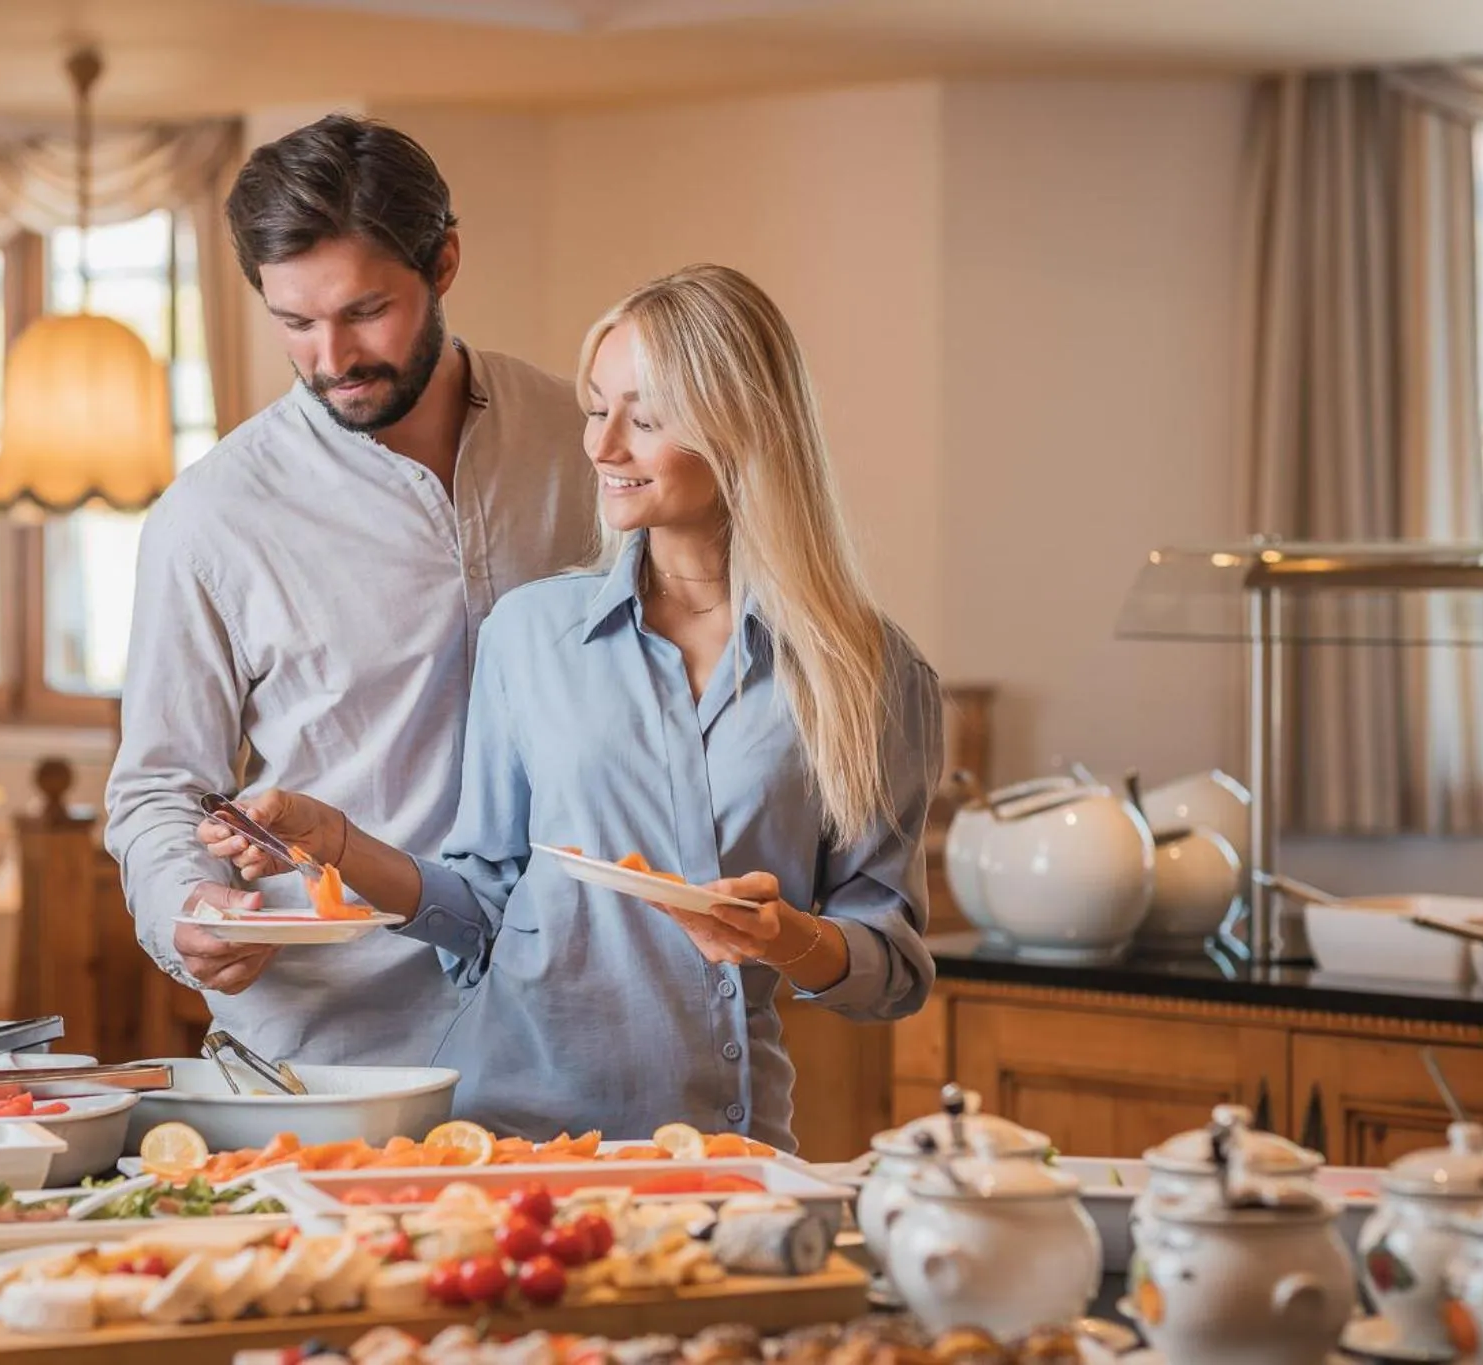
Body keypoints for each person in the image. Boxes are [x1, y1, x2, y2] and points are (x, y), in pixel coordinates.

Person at [200, 264, 942, 1152]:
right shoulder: (530, 636)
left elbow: (890, 970)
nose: (601, 446)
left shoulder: (869, 674)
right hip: (512, 1134)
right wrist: (335, 841)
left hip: (723, 1142)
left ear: (746, 429)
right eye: (596, 407)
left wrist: (784, 937)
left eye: (646, 417)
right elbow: (483, 907)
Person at [103, 114, 597, 1067]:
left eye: (366, 311)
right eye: (295, 322)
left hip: (571, 1031)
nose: (331, 358)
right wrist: (187, 909)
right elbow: (162, 785)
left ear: (444, 261)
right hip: (332, 1049)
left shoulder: (583, 444)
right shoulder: (211, 517)